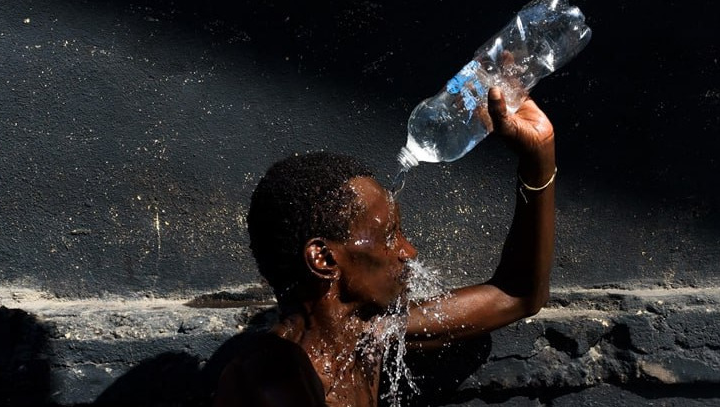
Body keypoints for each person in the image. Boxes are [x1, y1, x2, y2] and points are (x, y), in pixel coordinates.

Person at [207, 86, 556, 406]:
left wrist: (539, 155)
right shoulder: (270, 381)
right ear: (324, 258)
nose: (409, 251)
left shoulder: (370, 334)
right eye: (389, 236)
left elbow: (518, 294)